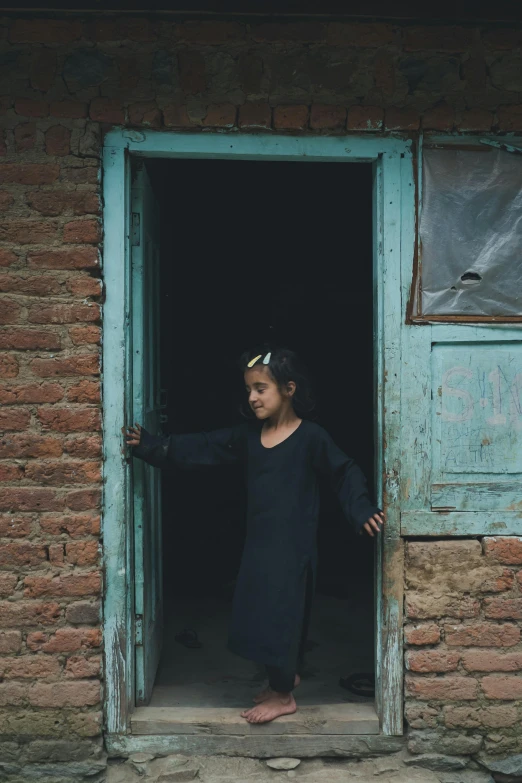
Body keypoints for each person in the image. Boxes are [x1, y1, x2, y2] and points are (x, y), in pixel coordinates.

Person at [125, 347, 384, 724]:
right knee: (257, 614)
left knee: (281, 617)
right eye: (249, 390)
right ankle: (285, 675)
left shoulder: (311, 437)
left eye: (261, 388)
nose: (252, 398)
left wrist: (361, 510)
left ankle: (283, 696)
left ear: (289, 389)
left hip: (294, 549)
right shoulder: (249, 436)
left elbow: (344, 472)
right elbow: (204, 446)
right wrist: (152, 446)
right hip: (261, 546)